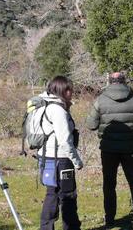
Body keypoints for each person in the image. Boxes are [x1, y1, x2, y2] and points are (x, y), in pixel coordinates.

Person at [86, 72, 133, 227]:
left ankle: (110, 218)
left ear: (110, 81)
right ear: (124, 81)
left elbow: (91, 125)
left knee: (109, 184)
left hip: (108, 149)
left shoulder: (100, 100)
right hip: (130, 147)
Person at [37, 76, 83, 230]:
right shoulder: (58, 110)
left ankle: (46, 227)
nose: (72, 93)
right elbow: (65, 141)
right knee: (68, 195)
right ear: (62, 90)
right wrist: (77, 162)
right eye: (69, 90)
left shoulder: (45, 104)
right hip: (61, 159)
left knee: (52, 193)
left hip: (46, 157)